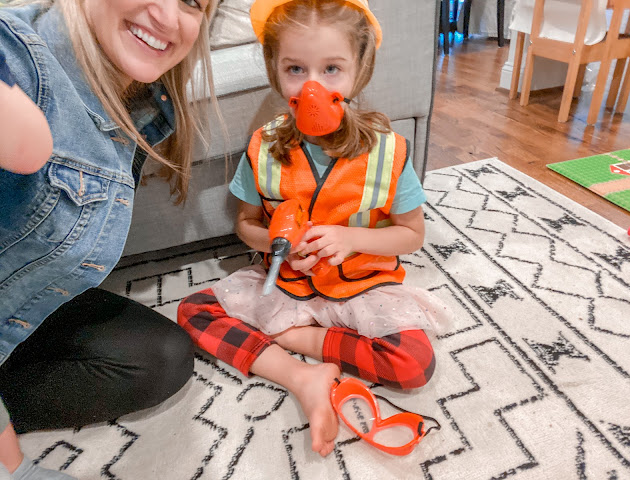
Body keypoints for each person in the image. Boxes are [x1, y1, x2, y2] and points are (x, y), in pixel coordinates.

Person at [177, 0, 453, 458]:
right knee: (194, 312)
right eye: (295, 69)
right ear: (274, 69)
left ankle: (288, 338)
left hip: (361, 283)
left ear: (360, 69)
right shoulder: (263, 147)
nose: (312, 85)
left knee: (412, 364)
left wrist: (351, 239)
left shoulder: (389, 152)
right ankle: (302, 375)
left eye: (331, 69)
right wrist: (277, 245)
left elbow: (412, 235)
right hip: (290, 282)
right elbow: (245, 223)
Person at [0, 0, 219, 478]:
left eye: (192, 1)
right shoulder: (17, 57)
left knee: (161, 357)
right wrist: (11, 466)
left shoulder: (147, 102)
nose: (167, 16)